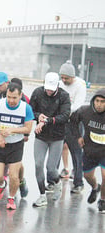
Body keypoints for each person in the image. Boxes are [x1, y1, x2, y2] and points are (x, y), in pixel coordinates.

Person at [0, 73, 29, 200]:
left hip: (16, 139)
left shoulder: (23, 101)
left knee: (16, 166)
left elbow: (28, 121)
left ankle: (21, 180)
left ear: (6, 84)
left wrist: (24, 134)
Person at [0, 82, 34, 210]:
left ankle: (11, 198)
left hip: (16, 145)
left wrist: (12, 130)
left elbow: (28, 128)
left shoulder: (26, 108)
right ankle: (2, 186)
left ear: (20, 96)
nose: (11, 100)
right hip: (0, 143)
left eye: (14, 97)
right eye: (9, 97)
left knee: (14, 175)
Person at [29, 72, 71, 207]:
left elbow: (65, 115)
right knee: (38, 164)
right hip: (41, 135)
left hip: (57, 137)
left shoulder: (64, 96)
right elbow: (30, 110)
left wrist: (47, 120)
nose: (48, 91)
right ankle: (42, 195)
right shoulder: (37, 93)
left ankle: (57, 183)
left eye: (51, 89)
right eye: (47, 88)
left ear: (57, 86)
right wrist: (38, 116)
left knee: (51, 168)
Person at [70, 89, 105, 212]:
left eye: (102, 102)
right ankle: (95, 187)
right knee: (87, 176)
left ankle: (102, 200)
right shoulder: (85, 111)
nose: (99, 104)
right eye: (97, 101)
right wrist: (78, 136)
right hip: (90, 150)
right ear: (93, 101)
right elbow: (73, 121)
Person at [58, 61, 86, 194]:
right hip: (60, 120)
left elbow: (77, 105)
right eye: (62, 77)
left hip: (74, 121)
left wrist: (64, 112)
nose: (64, 80)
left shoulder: (80, 85)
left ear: (72, 77)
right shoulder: (60, 83)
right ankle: (53, 180)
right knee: (56, 149)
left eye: (66, 78)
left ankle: (78, 182)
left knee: (76, 153)